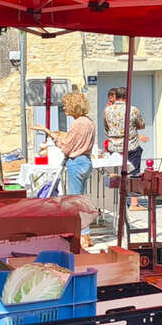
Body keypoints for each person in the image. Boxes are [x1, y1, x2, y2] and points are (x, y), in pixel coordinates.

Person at [35, 91, 96, 244]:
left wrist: (51, 135)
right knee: (81, 199)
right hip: (86, 161)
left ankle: (80, 236)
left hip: (76, 161)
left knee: (75, 202)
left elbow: (67, 147)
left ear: (73, 106)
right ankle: (86, 234)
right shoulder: (89, 122)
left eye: (66, 105)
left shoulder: (78, 123)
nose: (64, 108)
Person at [103, 87, 146, 176]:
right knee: (132, 176)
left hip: (114, 148)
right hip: (130, 147)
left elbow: (106, 128)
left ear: (116, 96)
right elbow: (142, 125)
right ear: (127, 96)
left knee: (115, 177)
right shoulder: (133, 110)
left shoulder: (107, 110)